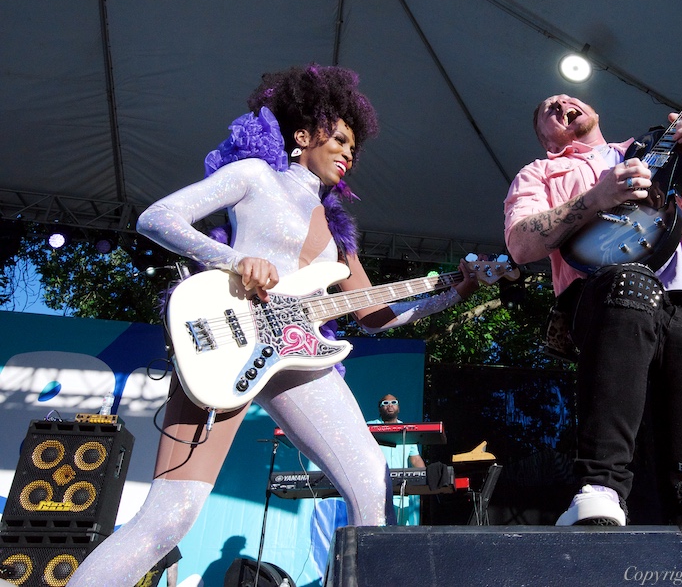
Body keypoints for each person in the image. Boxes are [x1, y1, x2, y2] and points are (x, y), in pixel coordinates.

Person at [67, 64, 481, 586]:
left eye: (354, 147)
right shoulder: (255, 177)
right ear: (302, 136)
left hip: (300, 358)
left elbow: (373, 316)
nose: (348, 154)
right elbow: (158, 218)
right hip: (226, 345)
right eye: (339, 139)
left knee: (372, 489)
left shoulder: (338, 232)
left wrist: (455, 291)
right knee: (168, 520)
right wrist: (234, 260)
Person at [503, 95, 682, 564]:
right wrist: (597, 197)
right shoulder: (540, 172)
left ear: (595, 111)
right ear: (543, 136)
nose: (561, 102)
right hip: (609, 294)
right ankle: (600, 486)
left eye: (569, 98)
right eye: (548, 107)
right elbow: (521, 244)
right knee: (630, 280)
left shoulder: (652, 150)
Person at [367, 394, 424, 525]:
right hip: (376, 488)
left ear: (398, 407)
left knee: (400, 531)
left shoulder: (407, 430)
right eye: (385, 403)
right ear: (379, 408)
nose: (390, 405)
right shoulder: (369, 427)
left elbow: (415, 459)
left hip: (401, 492)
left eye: (393, 402)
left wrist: (424, 478)